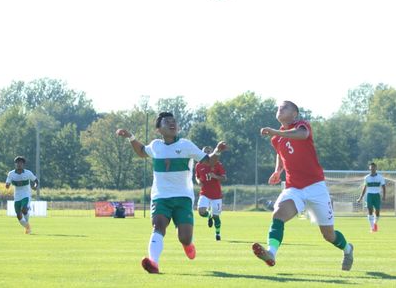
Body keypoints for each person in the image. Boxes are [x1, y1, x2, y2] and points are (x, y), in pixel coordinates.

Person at [116, 112, 227, 274]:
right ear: (159, 129)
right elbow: (141, 151)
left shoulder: (186, 145)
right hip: (161, 197)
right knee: (158, 226)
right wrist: (131, 137)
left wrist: (217, 151)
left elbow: (208, 162)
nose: (172, 123)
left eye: (174, 121)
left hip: (183, 198)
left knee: (184, 237)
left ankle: (188, 244)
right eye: (167, 122)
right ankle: (153, 263)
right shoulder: (155, 146)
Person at [252, 101, 354, 271]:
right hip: (294, 188)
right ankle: (271, 253)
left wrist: (275, 131)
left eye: (285, 107)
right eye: (279, 107)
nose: (280, 109)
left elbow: (302, 135)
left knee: (328, 235)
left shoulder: (301, 125)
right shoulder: (276, 138)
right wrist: (278, 170)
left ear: (294, 114)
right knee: (278, 215)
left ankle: (348, 249)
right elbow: (280, 153)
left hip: (316, 187)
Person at [195, 146, 227, 241]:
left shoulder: (218, 164)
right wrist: (198, 181)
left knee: (216, 216)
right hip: (204, 193)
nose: (207, 154)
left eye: (209, 152)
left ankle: (217, 233)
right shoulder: (199, 165)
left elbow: (224, 178)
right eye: (205, 152)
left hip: (216, 195)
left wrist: (215, 176)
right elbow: (197, 176)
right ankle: (208, 215)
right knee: (201, 211)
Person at [5, 156, 38, 234]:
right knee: (18, 215)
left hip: (26, 195)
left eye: (21, 163)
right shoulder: (11, 174)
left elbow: (36, 180)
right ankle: (27, 226)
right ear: (15, 164)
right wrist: (7, 185)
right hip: (17, 197)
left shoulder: (28, 173)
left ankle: (27, 226)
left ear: (23, 164)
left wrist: (35, 186)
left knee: (24, 209)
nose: (19, 164)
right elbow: (7, 184)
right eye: (17, 163)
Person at [357, 162, 386, 232]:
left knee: (377, 212)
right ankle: (372, 228)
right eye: (371, 168)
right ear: (369, 168)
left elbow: (384, 187)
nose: (372, 169)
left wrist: (384, 196)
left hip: (377, 195)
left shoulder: (380, 177)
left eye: (373, 167)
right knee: (370, 210)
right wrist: (360, 197)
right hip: (369, 195)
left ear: (376, 168)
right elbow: (364, 188)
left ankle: (375, 224)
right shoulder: (367, 178)